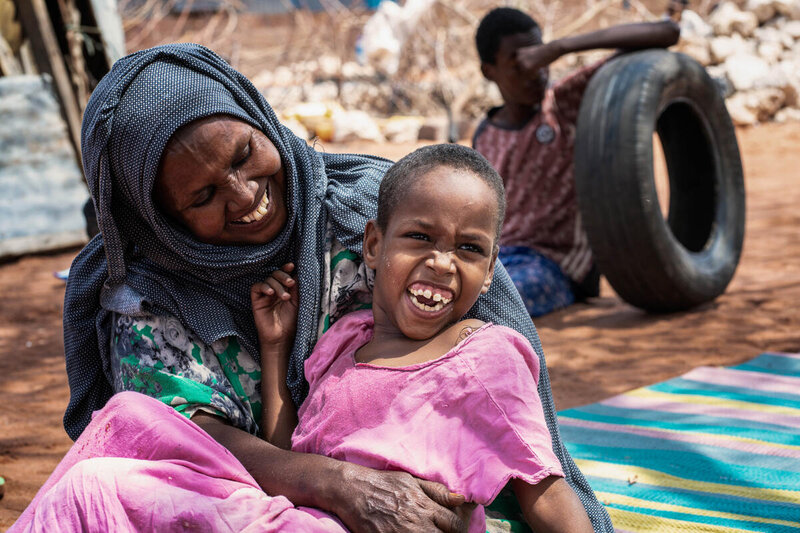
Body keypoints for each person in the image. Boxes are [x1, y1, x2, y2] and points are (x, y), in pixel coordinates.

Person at [11, 43, 612, 531]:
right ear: (158, 218)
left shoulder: (385, 212)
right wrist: (340, 485)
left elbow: (531, 439)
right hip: (247, 512)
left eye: (246, 154)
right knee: (111, 451)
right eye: (203, 196)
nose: (246, 196)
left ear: (258, 115)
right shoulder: (146, 301)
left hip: (433, 514)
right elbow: (200, 450)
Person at [253, 144, 594, 533]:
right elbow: (291, 460)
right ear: (374, 246)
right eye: (419, 236)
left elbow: (545, 492)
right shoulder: (343, 341)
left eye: (469, 248)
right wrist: (276, 347)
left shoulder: (484, 357)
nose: (442, 263)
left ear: (488, 272)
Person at [473, 8, 680, 316]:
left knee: (490, 302)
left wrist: (560, 47)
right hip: (497, 261)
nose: (536, 70)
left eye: (539, 57)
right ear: (489, 71)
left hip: (555, 267)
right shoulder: (485, 134)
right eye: (519, 61)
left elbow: (666, 33)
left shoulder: (563, 104)